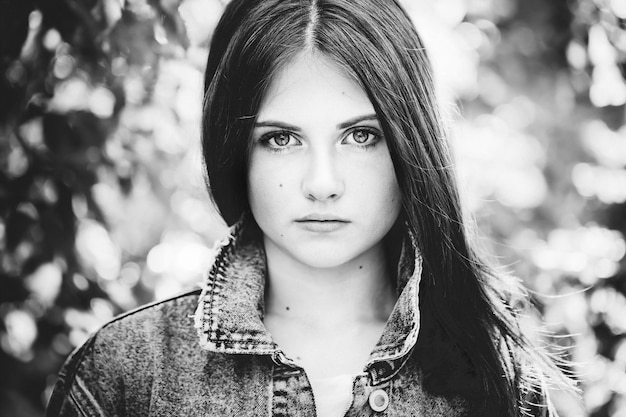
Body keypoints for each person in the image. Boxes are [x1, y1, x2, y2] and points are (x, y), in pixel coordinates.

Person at [46, 0, 577, 416]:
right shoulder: (124, 377)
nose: (322, 184)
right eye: (281, 139)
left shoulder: (495, 379)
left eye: (362, 136)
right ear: (235, 152)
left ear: (410, 145)